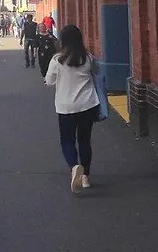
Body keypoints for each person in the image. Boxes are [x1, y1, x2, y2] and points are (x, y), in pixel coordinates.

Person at [45, 25, 100, 194]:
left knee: (67, 140)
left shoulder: (57, 60)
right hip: (88, 105)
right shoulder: (88, 57)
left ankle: (74, 166)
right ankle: (86, 177)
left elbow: (49, 81)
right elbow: (96, 73)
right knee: (85, 140)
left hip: (66, 107)